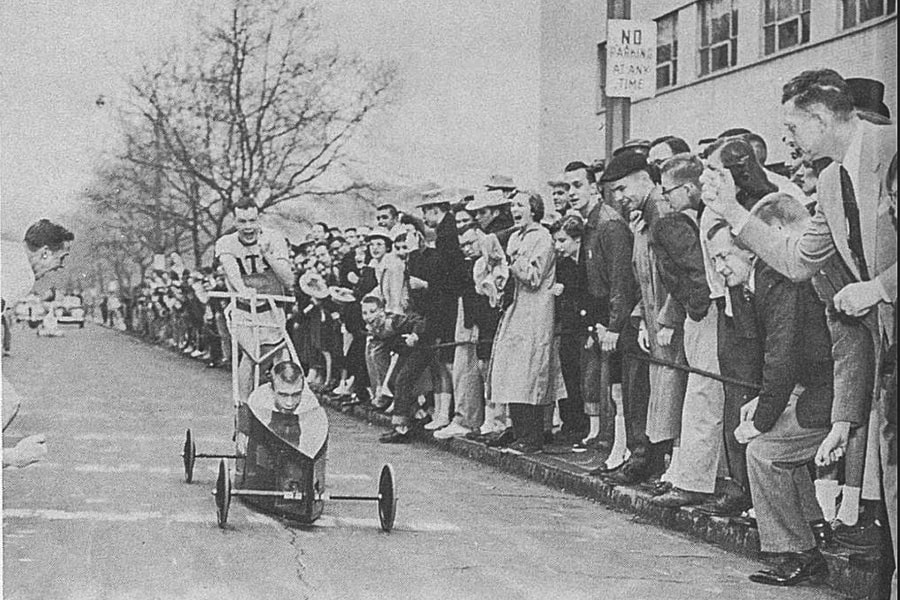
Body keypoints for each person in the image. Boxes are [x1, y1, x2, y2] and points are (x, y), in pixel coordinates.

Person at [702, 69, 896, 596]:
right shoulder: (831, 183)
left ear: (818, 117)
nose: (785, 139)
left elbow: (862, 293)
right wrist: (734, 213)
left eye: (791, 127)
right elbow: (795, 260)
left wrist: (879, 287)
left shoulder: (893, 149)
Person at [707, 202, 835, 587]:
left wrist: (761, 420)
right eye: (713, 260)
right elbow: (774, 361)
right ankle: (813, 525)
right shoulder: (758, 283)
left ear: (750, 250)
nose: (720, 267)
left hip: (832, 390)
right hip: (811, 386)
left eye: (725, 256)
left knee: (764, 452)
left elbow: (781, 357)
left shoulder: (776, 281)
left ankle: (798, 552)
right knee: (775, 446)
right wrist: (759, 405)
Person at [650, 153, 724, 508]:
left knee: (703, 393)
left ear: (689, 187)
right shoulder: (689, 219)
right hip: (705, 312)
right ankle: (695, 475)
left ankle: (694, 481)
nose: (666, 199)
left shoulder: (684, 222)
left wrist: (697, 308)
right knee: (702, 392)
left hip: (708, 313)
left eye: (669, 192)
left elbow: (695, 273)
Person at [214, 199, 296, 458]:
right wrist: (243, 291)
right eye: (242, 221)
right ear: (234, 221)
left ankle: (285, 417)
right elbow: (231, 272)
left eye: (252, 220)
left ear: (259, 219)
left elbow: (288, 279)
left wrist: (268, 254)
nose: (248, 227)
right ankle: (244, 421)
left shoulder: (274, 238)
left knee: (283, 359)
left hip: (273, 309)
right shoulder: (226, 243)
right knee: (252, 357)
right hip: (242, 311)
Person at [1, 218, 74, 469]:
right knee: (6, 401)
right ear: (44, 253)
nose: (60, 267)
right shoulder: (21, 272)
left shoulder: (8, 251)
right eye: (60, 258)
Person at [489, 193, 557, 454]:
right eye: (513, 205)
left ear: (534, 209)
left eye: (520, 205)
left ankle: (532, 438)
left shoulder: (542, 237)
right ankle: (518, 432)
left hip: (535, 312)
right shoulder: (516, 237)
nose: (514, 209)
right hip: (515, 310)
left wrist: (513, 260)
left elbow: (534, 276)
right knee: (512, 372)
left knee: (529, 372)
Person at [361, 295, 432, 443]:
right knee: (393, 382)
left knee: (402, 380)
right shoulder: (374, 327)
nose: (368, 317)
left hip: (422, 347)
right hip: (407, 352)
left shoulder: (392, 321)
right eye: (364, 313)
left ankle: (402, 429)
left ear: (382, 310)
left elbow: (419, 321)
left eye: (372, 311)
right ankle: (420, 415)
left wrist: (415, 335)